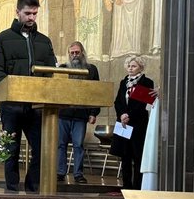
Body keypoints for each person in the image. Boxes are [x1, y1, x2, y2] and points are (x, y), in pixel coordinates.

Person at [0, 0, 57, 192]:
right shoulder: (1, 40)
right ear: (17, 11)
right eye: (27, 13)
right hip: (12, 105)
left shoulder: (44, 41)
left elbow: (51, 71)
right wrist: (11, 91)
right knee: (11, 150)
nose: (31, 18)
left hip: (36, 106)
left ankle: (32, 189)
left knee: (42, 149)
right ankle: (11, 190)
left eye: (35, 14)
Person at [57, 41, 100, 184]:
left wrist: (93, 112)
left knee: (78, 145)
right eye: (72, 53)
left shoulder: (91, 69)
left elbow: (96, 92)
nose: (75, 55)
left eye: (77, 52)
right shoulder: (62, 69)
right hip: (63, 113)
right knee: (60, 144)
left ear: (82, 53)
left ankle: (78, 174)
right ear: (68, 54)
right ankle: (60, 172)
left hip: (81, 114)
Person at [110, 55, 155, 190]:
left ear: (140, 68)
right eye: (129, 66)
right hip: (124, 123)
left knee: (137, 155)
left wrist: (129, 115)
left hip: (138, 124)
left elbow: (142, 104)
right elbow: (118, 101)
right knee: (125, 156)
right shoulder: (124, 82)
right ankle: (126, 185)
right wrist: (122, 114)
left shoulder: (147, 82)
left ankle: (137, 186)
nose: (130, 68)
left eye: (134, 66)